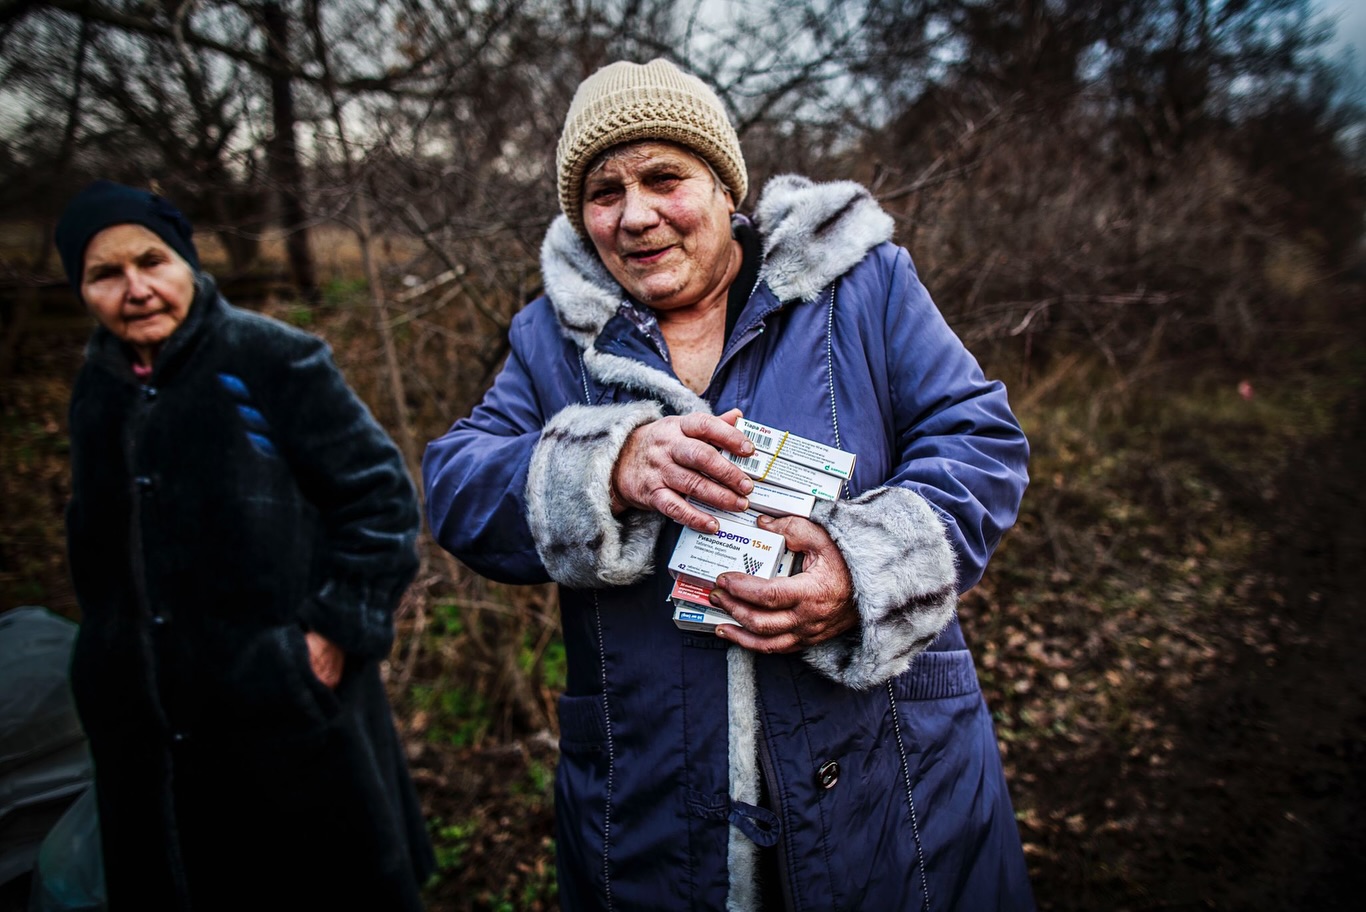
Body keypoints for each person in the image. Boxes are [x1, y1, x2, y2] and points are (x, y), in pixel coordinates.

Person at [423, 58, 1034, 911]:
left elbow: (980, 440)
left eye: (664, 177)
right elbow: (454, 483)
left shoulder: (860, 287)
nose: (635, 216)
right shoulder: (553, 340)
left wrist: (864, 574)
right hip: (652, 811)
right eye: (603, 192)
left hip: (889, 783)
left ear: (722, 184)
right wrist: (605, 465)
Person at [55, 180, 435, 911]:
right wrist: (103, 664)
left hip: (282, 715)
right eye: (106, 274)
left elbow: (381, 498)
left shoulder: (267, 359)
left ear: (186, 263)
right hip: (146, 728)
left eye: (151, 261)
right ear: (82, 288)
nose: (136, 289)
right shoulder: (96, 389)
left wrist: (326, 637)